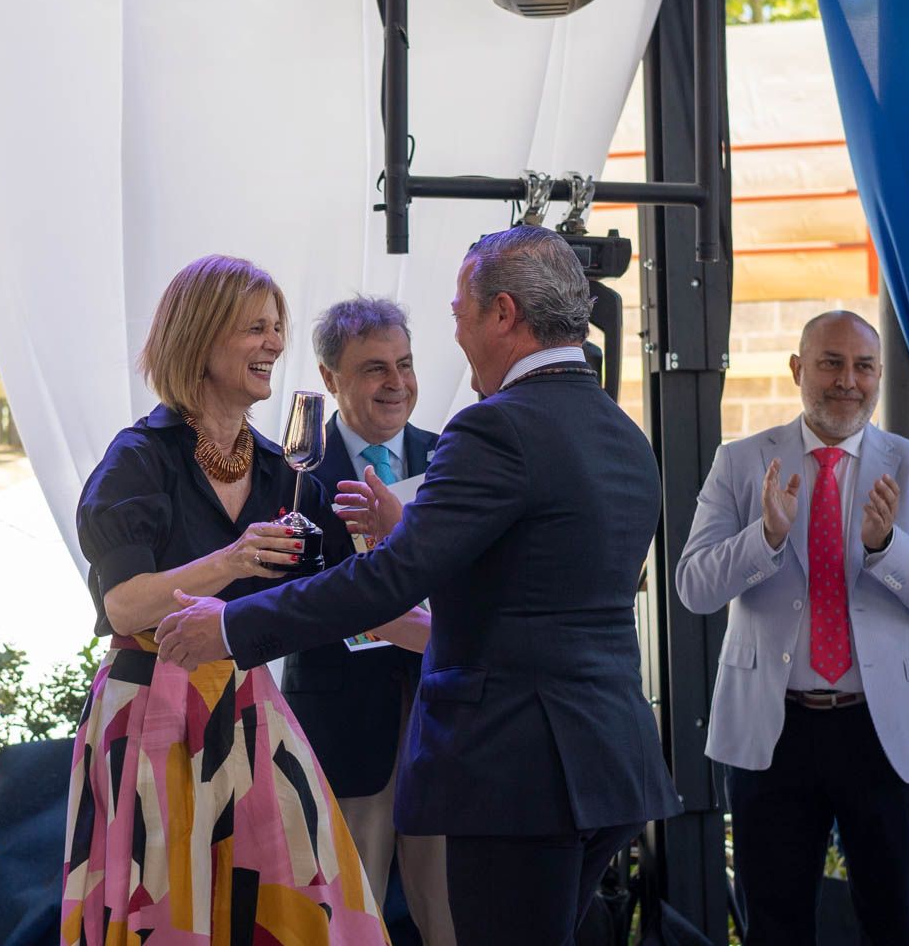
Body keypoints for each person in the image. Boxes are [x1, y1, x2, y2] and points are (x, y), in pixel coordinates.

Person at [155, 226, 681, 945]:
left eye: (460, 312)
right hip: (611, 764)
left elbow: (388, 584)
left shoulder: (495, 430)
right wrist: (412, 526)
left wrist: (227, 627)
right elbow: (536, 579)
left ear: (503, 313)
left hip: (518, 775)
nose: (456, 333)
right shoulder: (621, 432)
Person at [61, 254, 390, 945]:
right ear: (201, 339)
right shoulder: (138, 459)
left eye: (276, 328)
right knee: (169, 911)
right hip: (151, 707)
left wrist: (393, 542)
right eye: (254, 329)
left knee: (306, 908)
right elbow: (124, 607)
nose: (274, 343)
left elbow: (345, 595)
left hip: (249, 706)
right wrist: (232, 560)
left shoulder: (281, 468)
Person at [675, 311, 909, 945]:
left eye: (863, 366)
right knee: (774, 930)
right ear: (797, 370)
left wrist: (889, 545)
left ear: (878, 375)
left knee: (899, 927)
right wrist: (766, 537)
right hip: (773, 730)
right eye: (831, 363)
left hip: (886, 731)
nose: (848, 381)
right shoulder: (740, 463)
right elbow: (694, 586)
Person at [280, 296, 453, 944]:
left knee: (454, 912)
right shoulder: (295, 470)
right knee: (349, 915)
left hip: (446, 718)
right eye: (375, 368)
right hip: (345, 725)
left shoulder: (453, 459)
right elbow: (282, 592)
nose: (396, 383)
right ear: (330, 379)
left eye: (404, 364)